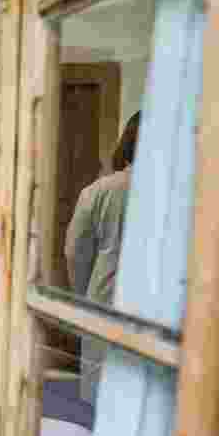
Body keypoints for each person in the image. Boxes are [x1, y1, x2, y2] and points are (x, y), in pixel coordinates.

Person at [64, 111, 140, 403]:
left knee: (101, 395)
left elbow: (74, 252)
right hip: (156, 307)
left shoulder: (98, 192)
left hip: (104, 295)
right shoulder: (181, 195)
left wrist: (84, 296)